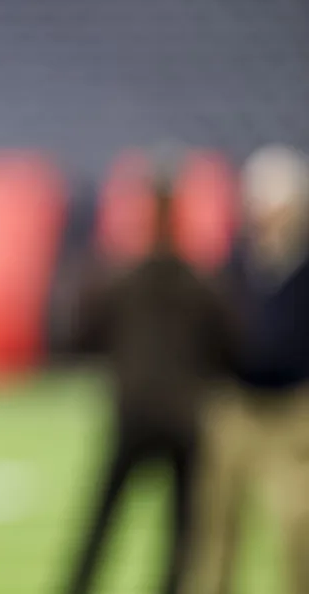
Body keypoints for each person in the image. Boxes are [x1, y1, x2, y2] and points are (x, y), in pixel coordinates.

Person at [61, 173, 240, 594]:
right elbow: (231, 347)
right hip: (183, 416)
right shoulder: (202, 282)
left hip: (134, 412)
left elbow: (80, 337)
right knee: (180, 527)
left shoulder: (121, 279)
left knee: (104, 519)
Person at [183, 144, 309, 594]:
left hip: (294, 411)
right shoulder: (235, 261)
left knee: (298, 527)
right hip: (236, 404)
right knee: (215, 528)